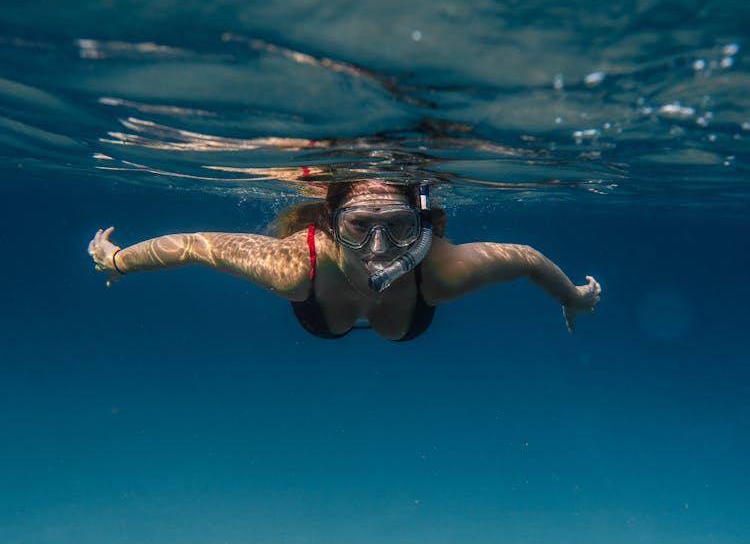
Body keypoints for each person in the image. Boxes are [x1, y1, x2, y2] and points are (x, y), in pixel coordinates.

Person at [87, 179, 601, 341]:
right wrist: (118, 262)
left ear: (420, 225)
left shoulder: (439, 271)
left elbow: (528, 259)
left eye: (397, 226)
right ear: (330, 221)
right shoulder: (295, 265)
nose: (379, 247)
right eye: (359, 224)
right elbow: (196, 245)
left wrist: (575, 298)